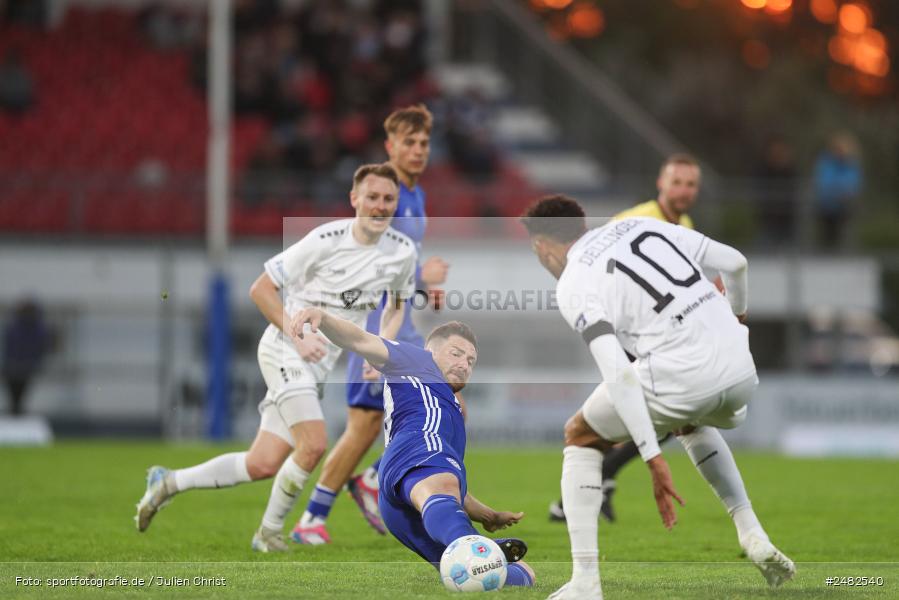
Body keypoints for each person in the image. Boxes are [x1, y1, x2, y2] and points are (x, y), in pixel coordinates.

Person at [135, 163, 417, 553]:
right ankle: (268, 534)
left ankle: (168, 482)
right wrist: (297, 335)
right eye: (372, 197)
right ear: (354, 199)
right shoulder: (324, 240)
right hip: (284, 348)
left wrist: (381, 350)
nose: (380, 206)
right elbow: (261, 289)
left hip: (318, 362)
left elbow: (396, 307)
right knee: (315, 443)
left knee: (263, 463)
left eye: (388, 199)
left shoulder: (402, 252)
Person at [521, 196, 794, 599]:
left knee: (579, 435)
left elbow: (618, 372)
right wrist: (737, 319)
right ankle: (751, 532)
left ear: (542, 246)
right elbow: (735, 262)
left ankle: (585, 583)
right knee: (689, 420)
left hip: (684, 375)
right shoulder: (635, 226)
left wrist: (651, 455)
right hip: (741, 370)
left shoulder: (573, 282)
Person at [288, 309, 535, 588]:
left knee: (522, 576)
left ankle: (474, 550)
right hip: (415, 448)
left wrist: (489, 516)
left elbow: (443, 487)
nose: (464, 364)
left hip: (400, 504)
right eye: (456, 353)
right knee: (463, 532)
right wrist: (324, 318)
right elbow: (359, 339)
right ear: (431, 351)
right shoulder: (415, 360)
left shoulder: (449, 412)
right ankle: (473, 545)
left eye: (471, 361)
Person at [293, 104, 449, 544]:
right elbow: (373, 262)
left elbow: (400, 265)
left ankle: (369, 481)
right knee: (363, 424)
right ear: (390, 146)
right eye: (409, 143)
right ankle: (312, 519)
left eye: (424, 143)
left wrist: (423, 286)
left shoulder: (414, 194)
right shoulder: (387, 192)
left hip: (400, 319)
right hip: (373, 319)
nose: (418, 150)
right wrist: (423, 277)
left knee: (440, 398)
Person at [549, 153, 714, 524]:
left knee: (654, 416)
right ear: (661, 183)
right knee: (666, 416)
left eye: (690, 184)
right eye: (677, 183)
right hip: (624, 330)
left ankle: (582, 490)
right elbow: (592, 265)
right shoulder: (636, 220)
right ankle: (591, 484)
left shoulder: (684, 222)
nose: (684, 191)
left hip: (652, 335)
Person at [813, 132, 862, 249]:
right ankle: (825, 250)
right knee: (826, 234)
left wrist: (845, 192)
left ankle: (843, 249)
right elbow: (823, 183)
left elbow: (854, 184)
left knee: (842, 232)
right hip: (826, 206)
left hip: (845, 207)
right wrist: (839, 191)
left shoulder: (852, 165)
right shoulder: (826, 163)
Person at [2, 299, 50, 416]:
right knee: (16, 394)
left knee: (18, 394)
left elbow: (39, 347)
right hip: (15, 367)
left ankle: (16, 411)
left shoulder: (35, 328)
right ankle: (15, 411)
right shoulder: (17, 327)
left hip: (22, 367)